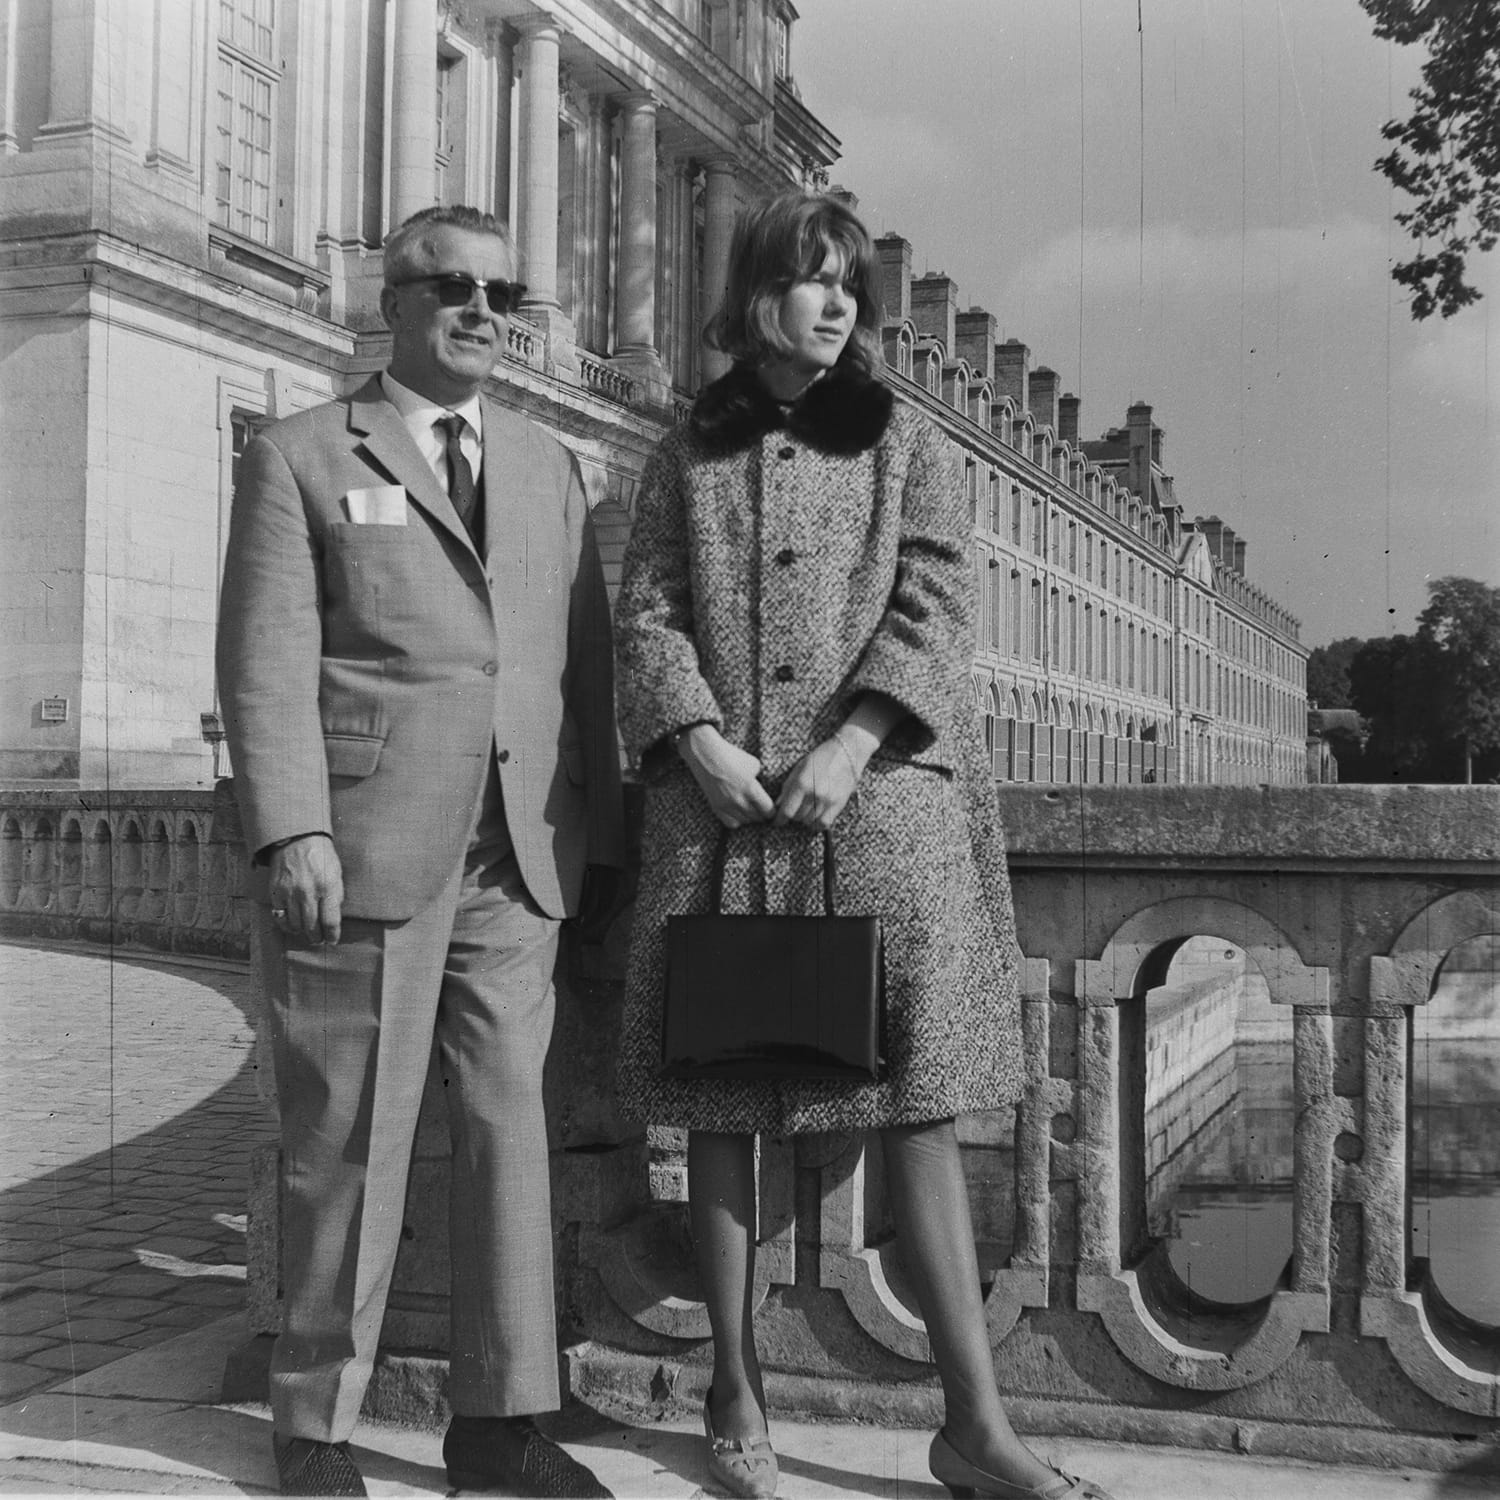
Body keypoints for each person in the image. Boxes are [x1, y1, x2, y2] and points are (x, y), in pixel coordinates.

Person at [612, 191, 1114, 1500]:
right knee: (719, 1104)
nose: (833, 304)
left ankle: (976, 1426)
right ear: (749, 297)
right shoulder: (685, 451)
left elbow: (941, 605)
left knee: (917, 1109)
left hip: (881, 812)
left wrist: (848, 744)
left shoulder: (908, 439)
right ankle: (735, 1387)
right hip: (719, 816)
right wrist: (699, 740)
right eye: (805, 279)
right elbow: (649, 609)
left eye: (848, 286)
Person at [216, 204, 624, 1499]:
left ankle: (500, 1425)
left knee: (512, 1133)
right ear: (388, 301)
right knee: (347, 1143)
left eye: (500, 290)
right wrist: (292, 826)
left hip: (520, 859)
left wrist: (595, 837)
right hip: (364, 855)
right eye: (447, 284)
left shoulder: (551, 468)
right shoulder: (298, 454)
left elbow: (584, 670)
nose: (477, 308)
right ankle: (317, 1429)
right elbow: (264, 663)